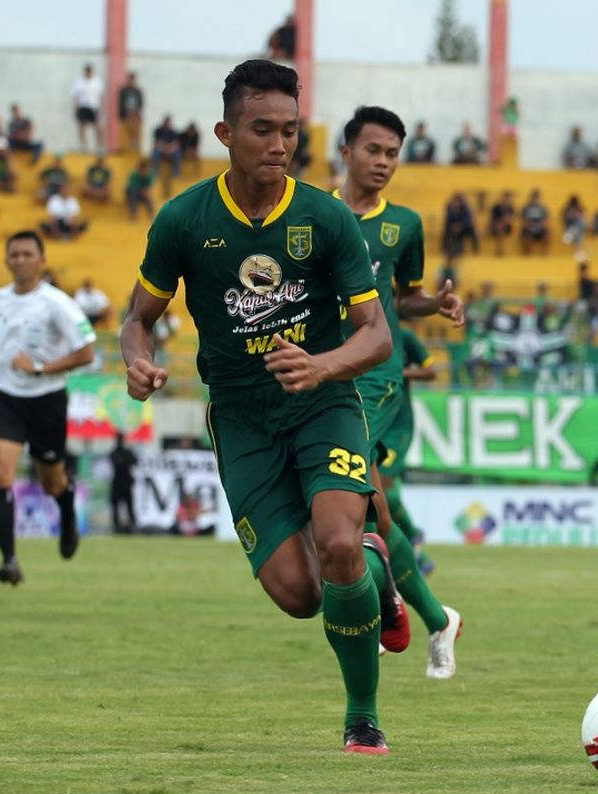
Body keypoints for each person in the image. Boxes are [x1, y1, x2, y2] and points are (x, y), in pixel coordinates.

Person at [120, 60, 397, 755]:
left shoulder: (325, 217)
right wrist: (137, 360)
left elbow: (377, 335)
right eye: (262, 130)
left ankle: (361, 716)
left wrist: (322, 366)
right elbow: (137, 317)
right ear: (226, 132)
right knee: (299, 595)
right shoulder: (184, 220)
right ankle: (367, 561)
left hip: (322, 403)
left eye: (291, 132)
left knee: (335, 546)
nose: (279, 145)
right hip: (240, 417)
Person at [333, 104, 465, 679]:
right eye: (374, 150)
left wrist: (433, 304)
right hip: (322, 371)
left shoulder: (404, 225)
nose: (384, 162)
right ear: (347, 151)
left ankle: (386, 610)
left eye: (392, 154)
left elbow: (402, 297)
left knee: (351, 503)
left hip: (375, 376)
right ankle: (437, 618)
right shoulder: (314, 213)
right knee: (377, 518)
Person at [0, 231, 96, 587]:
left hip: (46, 401)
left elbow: (86, 352)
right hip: (4, 397)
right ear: (7, 260)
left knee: (52, 481)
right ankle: (9, 559)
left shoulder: (57, 304)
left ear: (41, 260)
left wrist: (40, 369)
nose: (20, 260)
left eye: (27, 254)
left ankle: (66, 511)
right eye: (14, 254)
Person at [377, 323, 439, 576]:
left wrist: (398, 372)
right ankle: (413, 553)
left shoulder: (404, 335)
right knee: (379, 495)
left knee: (382, 489)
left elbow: (431, 371)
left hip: (397, 427)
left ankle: (412, 537)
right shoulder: (353, 331)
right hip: (371, 421)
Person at [108, 431, 138, 532]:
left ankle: (131, 525)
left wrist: (122, 461)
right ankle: (117, 526)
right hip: (119, 484)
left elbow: (134, 461)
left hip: (125, 484)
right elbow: (120, 464)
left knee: (129, 506)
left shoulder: (124, 452)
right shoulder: (116, 453)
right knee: (117, 506)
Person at [72, 64, 104, 152]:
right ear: (84, 71)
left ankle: (99, 145)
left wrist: (101, 108)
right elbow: (76, 96)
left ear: (92, 71)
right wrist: (75, 108)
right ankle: (83, 145)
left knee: (98, 126)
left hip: (94, 106)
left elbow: (101, 96)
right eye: (87, 71)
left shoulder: (97, 82)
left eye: (90, 71)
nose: (88, 73)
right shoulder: (79, 81)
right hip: (83, 106)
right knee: (82, 125)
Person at [118, 73, 144, 154]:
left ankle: (135, 140)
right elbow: (121, 103)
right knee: (129, 123)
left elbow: (141, 103)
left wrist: (136, 112)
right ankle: (134, 140)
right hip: (126, 113)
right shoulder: (123, 91)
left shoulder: (138, 91)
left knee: (136, 122)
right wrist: (126, 113)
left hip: (135, 113)